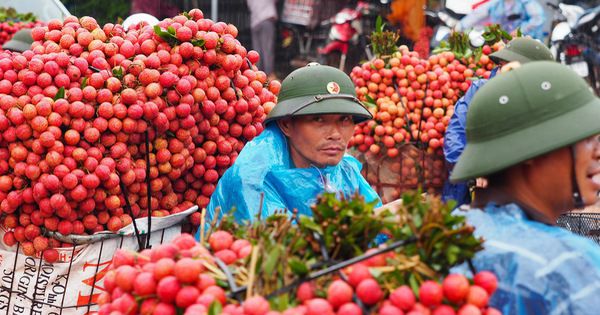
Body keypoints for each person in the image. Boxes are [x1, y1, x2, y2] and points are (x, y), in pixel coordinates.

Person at [450, 61, 600, 314]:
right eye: (586, 139)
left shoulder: (454, 228)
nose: (597, 152)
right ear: (531, 150)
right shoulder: (570, 264)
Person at [203, 63, 380, 226]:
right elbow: (289, 247)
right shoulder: (253, 178)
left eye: (345, 119)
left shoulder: (344, 169)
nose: (335, 134)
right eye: (318, 119)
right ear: (286, 124)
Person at [443, 37, 554, 207]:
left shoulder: (544, 105)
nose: (503, 71)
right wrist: (476, 169)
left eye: (511, 67)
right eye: (502, 65)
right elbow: (456, 136)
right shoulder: (480, 90)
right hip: (466, 194)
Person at [456, 0, 546, 40]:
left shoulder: (526, 2)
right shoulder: (496, 3)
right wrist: (460, 26)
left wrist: (519, 31)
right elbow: (477, 14)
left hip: (528, 42)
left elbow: (538, 19)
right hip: (505, 44)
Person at [246, 0, 278, 80]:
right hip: (266, 21)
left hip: (255, 23)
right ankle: (269, 75)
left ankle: (257, 76)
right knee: (267, 49)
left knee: (257, 52)